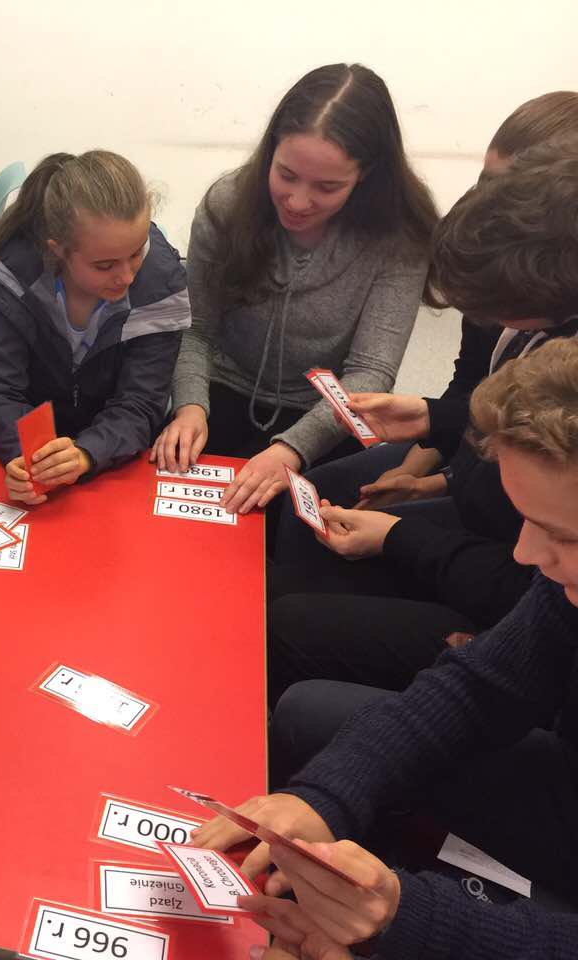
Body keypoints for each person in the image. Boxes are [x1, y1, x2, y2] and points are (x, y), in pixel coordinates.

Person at [194, 335, 578, 960]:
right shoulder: (563, 586)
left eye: (562, 535)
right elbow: (475, 689)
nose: (525, 553)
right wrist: (322, 798)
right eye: (527, 520)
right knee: (313, 721)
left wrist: (408, 916)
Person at [265, 143, 578, 702]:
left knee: (291, 635)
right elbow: (475, 411)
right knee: (292, 569)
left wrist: (400, 534)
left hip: (500, 592)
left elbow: (521, 583)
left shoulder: (555, 379)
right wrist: (432, 434)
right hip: (480, 543)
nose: (480, 320)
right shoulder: (520, 319)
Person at [152, 63, 439, 515]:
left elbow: (369, 372)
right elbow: (196, 329)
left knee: (305, 532)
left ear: (366, 174)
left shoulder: (398, 238)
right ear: (270, 151)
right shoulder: (227, 204)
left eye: (327, 187)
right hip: (219, 392)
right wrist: (189, 406)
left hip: (326, 413)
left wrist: (293, 448)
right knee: (174, 510)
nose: (299, 201)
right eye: (286, 175)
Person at [0, 150, 190, 504]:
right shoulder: (13, 273)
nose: (127, 276)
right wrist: (32, 457)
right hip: (18, 439)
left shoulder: (161, 282)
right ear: (58, 250)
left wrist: (86, 454)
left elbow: (140, 403)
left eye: (136, 253)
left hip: (112, 450)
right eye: (105, 265)